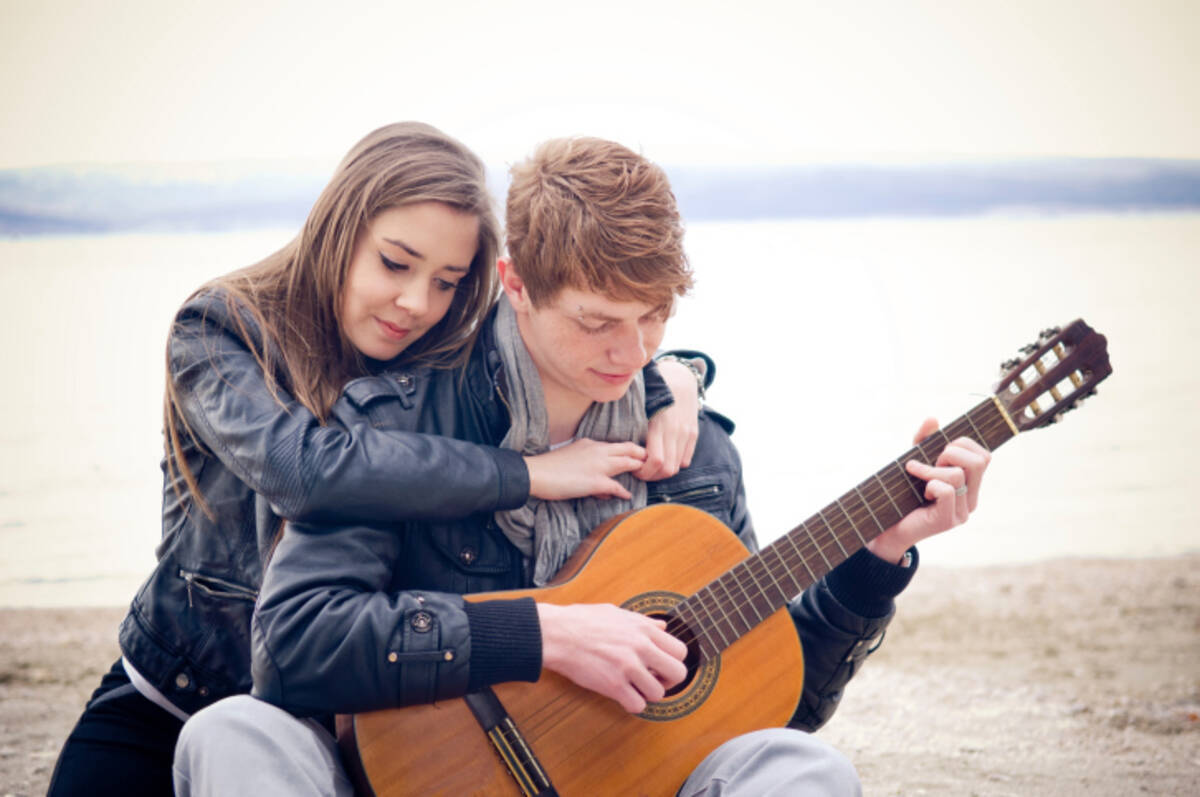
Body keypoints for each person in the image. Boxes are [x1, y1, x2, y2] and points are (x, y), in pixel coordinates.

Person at [172, 137, 992, 796]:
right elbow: (293, 646)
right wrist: (543, 633)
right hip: (410, 780)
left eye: (653, 318)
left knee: (804, 767)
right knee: (232, 734)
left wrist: (878, 557)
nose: (631, 353)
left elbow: (770, 699)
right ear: (515, 285)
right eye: (598, 322)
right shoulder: (400, 423)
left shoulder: (693, 452)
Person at [47, 123, 707, 796]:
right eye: (395, 263)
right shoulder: (221, 330)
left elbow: (554, 338)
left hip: (336, 721)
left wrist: (673, 379)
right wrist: (525, 475)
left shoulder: (427, 355)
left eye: (447, 282)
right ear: (339, 229)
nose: (416, 302)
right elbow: (303, 472)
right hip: (181, 690)